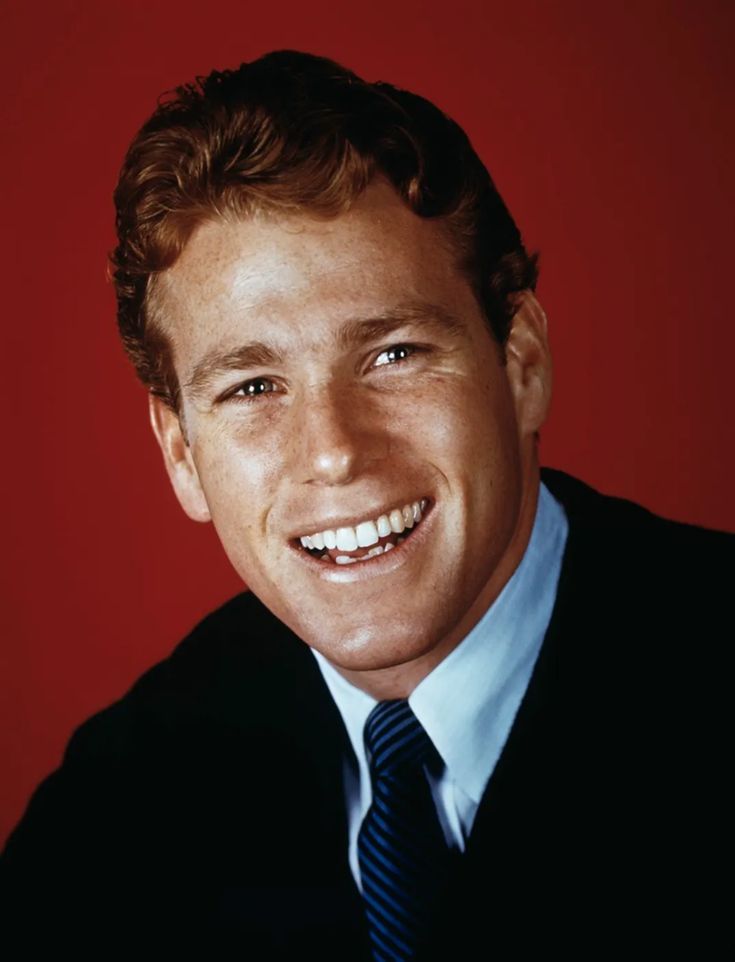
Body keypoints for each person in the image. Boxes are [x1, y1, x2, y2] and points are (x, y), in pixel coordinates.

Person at [2, 49, 731, 958]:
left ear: (521, 365)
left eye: (394, 355)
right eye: (253, 386)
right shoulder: (111, 823)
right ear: (182, 454)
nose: (335, 451)